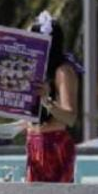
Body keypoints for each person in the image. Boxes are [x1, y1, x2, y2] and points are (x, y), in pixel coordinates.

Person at [24, 11, 81, 183]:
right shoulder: (34, 70)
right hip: (33, 143)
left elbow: (70, 117)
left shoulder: (63, 71)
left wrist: (47, 100)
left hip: (55, 145)